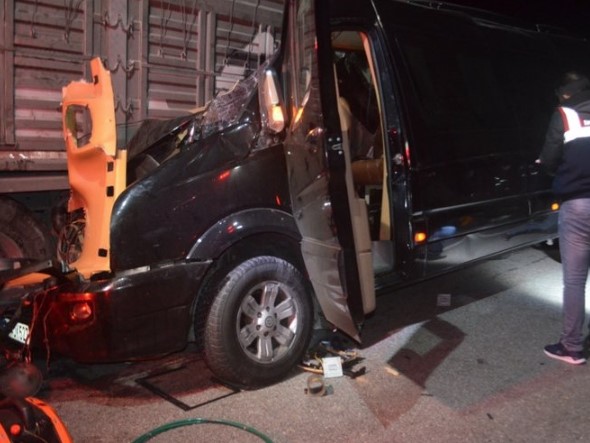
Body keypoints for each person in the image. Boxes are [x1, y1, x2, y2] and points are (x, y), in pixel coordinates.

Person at [538, 71, 590, 365]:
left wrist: (551, 169)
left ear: (565, 93)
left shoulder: (564, 115)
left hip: (579, 205)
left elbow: (549, 159)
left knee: (575, 280)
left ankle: (571, 346)